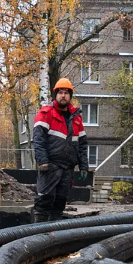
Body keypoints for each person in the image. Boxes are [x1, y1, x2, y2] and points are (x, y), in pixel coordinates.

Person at [31, 78, 89, 222]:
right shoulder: (46, 113)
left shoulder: (76, 118)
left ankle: (54, 237)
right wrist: (42, 161)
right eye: (60, 92)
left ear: (70, 96)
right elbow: (38, 139)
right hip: (50, 166)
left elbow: (82, 144)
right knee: (44, 201)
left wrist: (84, 166)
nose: (63, 95)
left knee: (60, 203)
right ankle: (37, 237)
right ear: (55, 95)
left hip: (67, 168)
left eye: (66, 93)